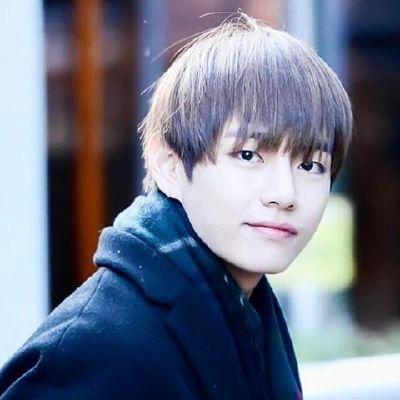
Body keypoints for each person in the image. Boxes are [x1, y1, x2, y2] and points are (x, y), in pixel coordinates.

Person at [0, 11, 353, 400]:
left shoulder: (245, 315)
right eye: (249, 155)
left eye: (310, 165)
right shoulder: (98, 351)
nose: (285, 194)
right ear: (169, 166)